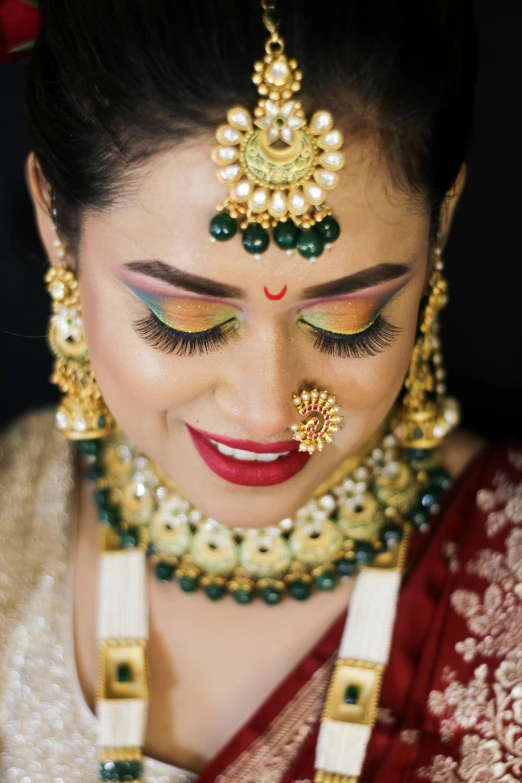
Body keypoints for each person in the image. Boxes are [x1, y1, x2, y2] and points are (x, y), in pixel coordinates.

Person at [1, 1, 520, 782]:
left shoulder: (502, 573)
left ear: (440, 223)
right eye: (185, 319)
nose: (269, 409)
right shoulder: (12, 525)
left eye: (348, 321)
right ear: (55, 224)